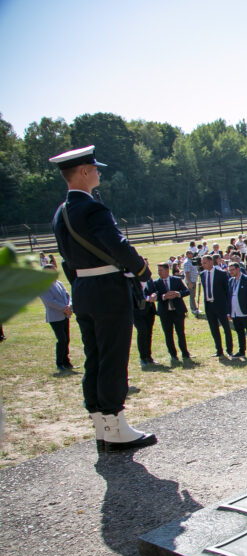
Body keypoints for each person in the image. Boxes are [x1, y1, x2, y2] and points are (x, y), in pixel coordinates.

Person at [48, 145, 156, 452]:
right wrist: (141, 269)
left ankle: (101, 424)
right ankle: (116, 423)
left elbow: (67, 259)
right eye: (94, 168)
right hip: (108, 291)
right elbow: (116, 244)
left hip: (83, 290)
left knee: (94, 356)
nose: (98, 172)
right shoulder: (93, 208)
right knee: (113, 355)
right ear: (83, 172)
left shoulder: (62, 212)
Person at [150, 261, 191, 362]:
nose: (159, 272)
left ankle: (185, 353)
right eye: (158, 270)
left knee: (180, 333)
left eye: (161, 270)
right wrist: (163, 296)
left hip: (178, 311)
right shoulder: (156, 283)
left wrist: (178, 294)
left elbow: (186, 291)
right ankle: (173, 355)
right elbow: (154, 296)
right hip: (165, 313)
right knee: (168, 334)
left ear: (167, 270)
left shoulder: (176, 280)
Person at [39, 263, 74, 371]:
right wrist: (64, 308)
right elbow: (50, 301)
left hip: (65, 315)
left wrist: (69, 306)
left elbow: (68, 296)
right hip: (55, 317)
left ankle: (66, 361)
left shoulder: (59, 283)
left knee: (66, 339)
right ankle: (59, 363)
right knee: (61, 339)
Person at [199, 254, 234, 357]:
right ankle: (219, 350)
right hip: (209, 305)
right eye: (202, 263)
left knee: (226, 328)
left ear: (210, 262)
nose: (203, 265)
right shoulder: (202, 274)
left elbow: (227, 291)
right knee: (214, 328)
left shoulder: (221, 274)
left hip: (220, 305)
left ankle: (229, 349)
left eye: (204, 262)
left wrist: (228, 307)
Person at [133, 263, 157, 366]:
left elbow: (154, 289)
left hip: (150, 309)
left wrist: (154, 294)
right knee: (142, 332)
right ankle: (143, 357)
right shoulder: (133, 279)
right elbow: (133, 294)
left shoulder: (149, 278)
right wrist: (147, 298)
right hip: (137, 311)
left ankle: (149, 356)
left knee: (149, 332)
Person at [182, 250, 200, 314]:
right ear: (187, 255)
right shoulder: (187, 262)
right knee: (192, 295)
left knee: (193, 295)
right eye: (190, 254)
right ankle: (193, 309)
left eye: (192, 253)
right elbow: (187, 273)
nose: (192, 254)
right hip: (191, 281)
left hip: (193, 280)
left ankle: (195, 307)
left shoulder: (192, 261)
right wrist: (189, 283)